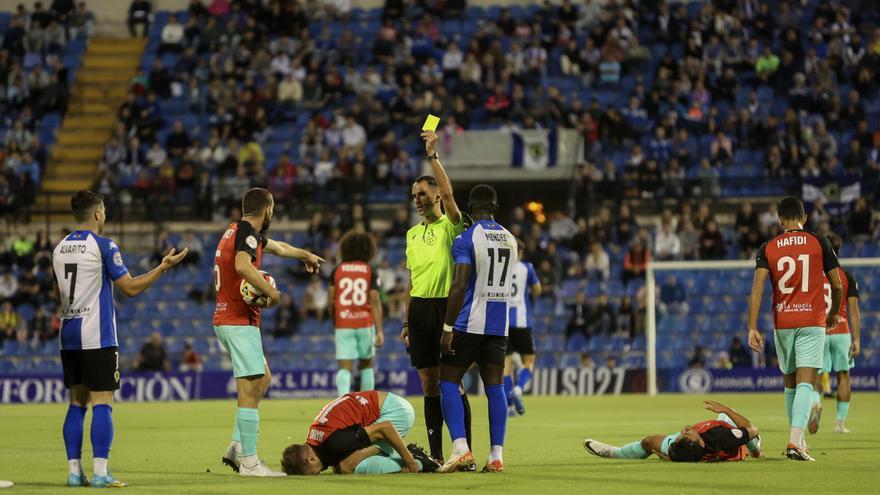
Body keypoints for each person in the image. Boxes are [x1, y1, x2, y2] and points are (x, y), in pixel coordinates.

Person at [53, 190, 187, 487]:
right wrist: (162, 268)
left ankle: (75, 473)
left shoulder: (59, 248)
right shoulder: (103, 246)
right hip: (97, 334)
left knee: (76, 403)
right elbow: (130, 287)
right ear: (98, 213)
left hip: (69, 334)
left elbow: (57, 294)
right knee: (103, 401)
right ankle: (100, 473)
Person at [213, 188, 323, 477]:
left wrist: (304, 254)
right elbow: (242, 266)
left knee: (262, 380)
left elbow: (278, 248)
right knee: (251, 387)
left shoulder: (238, 230)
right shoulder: (247, 233)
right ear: (269, 209)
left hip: (231, 319)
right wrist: (271, 293)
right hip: (237, 320)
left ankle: (237, 446)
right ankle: (249, 462)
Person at [747, 196, 842, 461]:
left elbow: (757, 289)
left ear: (780, 220)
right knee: (806, 383)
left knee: (790, 383)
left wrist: (752, 327)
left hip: (783, 322)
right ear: (805, 217)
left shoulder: (768, 247)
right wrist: (834, 312)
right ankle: (795, 443)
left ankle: (798, 440)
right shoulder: (819, 242)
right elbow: (837, 286)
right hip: (812, 320)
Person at [401, 130, 471, 462]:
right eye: (414, 195)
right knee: (429, 386)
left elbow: (450, 192)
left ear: (437, 197)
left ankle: (465, 452)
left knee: (452, 384)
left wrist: (433, 156)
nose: (417, 199)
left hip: (447, 309)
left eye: (422, 193)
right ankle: (438, 455)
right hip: (420, 312)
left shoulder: (451, 227)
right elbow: (412, 280)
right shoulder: (412, 234)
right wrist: (405, 320)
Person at [438, 184, 517, 473]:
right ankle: (496, 455)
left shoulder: (465, 239)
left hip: (469, 322)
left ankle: (460, 448)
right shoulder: (511, 239)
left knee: (447, 381)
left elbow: (459, 285)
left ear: (470, 208)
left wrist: (447, 327)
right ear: (495, 207)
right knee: (495, 386)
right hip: (499, 325)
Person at [280, 391, 439, 475]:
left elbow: (385, 428)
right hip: (387, 405)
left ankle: (420, 461)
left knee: (347, 466)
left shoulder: (335, 442)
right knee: (340, 466)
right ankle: (408, 456)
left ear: (309, 459)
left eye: (312, 473)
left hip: (397, 413)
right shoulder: (315, 438)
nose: (317, 474)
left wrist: (410, 464)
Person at [584, 400, 762, 462]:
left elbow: (686, 454)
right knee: (734, 423)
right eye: (686, 434)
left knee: (648, 442)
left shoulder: (684, 448)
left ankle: (616, 453)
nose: (684, 430)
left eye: (684, 435)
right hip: (728, 440)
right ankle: (755, 448)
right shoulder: (722, 437)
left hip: (710, 443)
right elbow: (752, 428)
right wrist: (724, 409)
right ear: (699, 442)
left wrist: (670, 458)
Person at [809, 233, 860, 435]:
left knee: (816, 376)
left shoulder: (813, 275)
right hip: (841, 330)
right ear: (839, 251)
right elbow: (854, 311)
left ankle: (815, 404)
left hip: (819, 329)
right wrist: (856, 339)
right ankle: (840, 424)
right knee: (843, 377)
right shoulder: (847, 276)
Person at [328, 231, 384, 396]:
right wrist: (379, 330)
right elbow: (375, 301)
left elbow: (331, 300)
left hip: (343, 324)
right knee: (366, 366)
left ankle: (342, 405)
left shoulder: (337, 270)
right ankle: (367, 407)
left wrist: (335, 321)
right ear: (368, 249)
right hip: (365, 324)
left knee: (345, 369)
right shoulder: (370, 270)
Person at [504, 240, 542, 416]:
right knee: (529, 361)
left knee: (506, 366)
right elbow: (537, 290)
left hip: (503, 322)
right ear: (521, 252)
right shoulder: (527, 267)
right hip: (521, 321)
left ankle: (510, 407)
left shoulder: (500, 265)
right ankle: (518, 389)